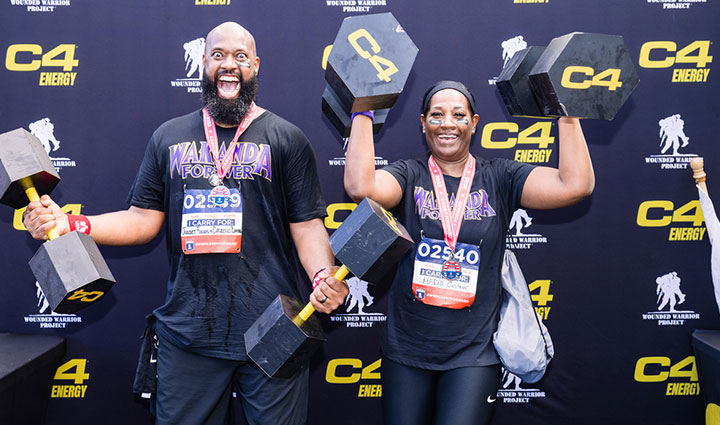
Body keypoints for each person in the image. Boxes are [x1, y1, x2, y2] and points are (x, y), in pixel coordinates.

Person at [22, 21, 348, 425]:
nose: (229, 65)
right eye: (218, 55)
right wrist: (73, 224)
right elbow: (142, 220)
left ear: (256, 66)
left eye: (240, 57)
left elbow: (307, 226)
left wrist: (321, 276)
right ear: (204, 63)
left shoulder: (287, 139)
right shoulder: (168, 137)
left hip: (275, 327)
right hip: (189, 330)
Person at [343, 80, 594, 425]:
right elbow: (361, 187)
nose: (448, 123)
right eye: (437, 115)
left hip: (473, 355)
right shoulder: (409, 174)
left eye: (459, 115)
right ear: (422, 123)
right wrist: (363, 107)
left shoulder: (501, 177)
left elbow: (575, 185)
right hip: (407, 352)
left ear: (474, 123)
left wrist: (564, 111)